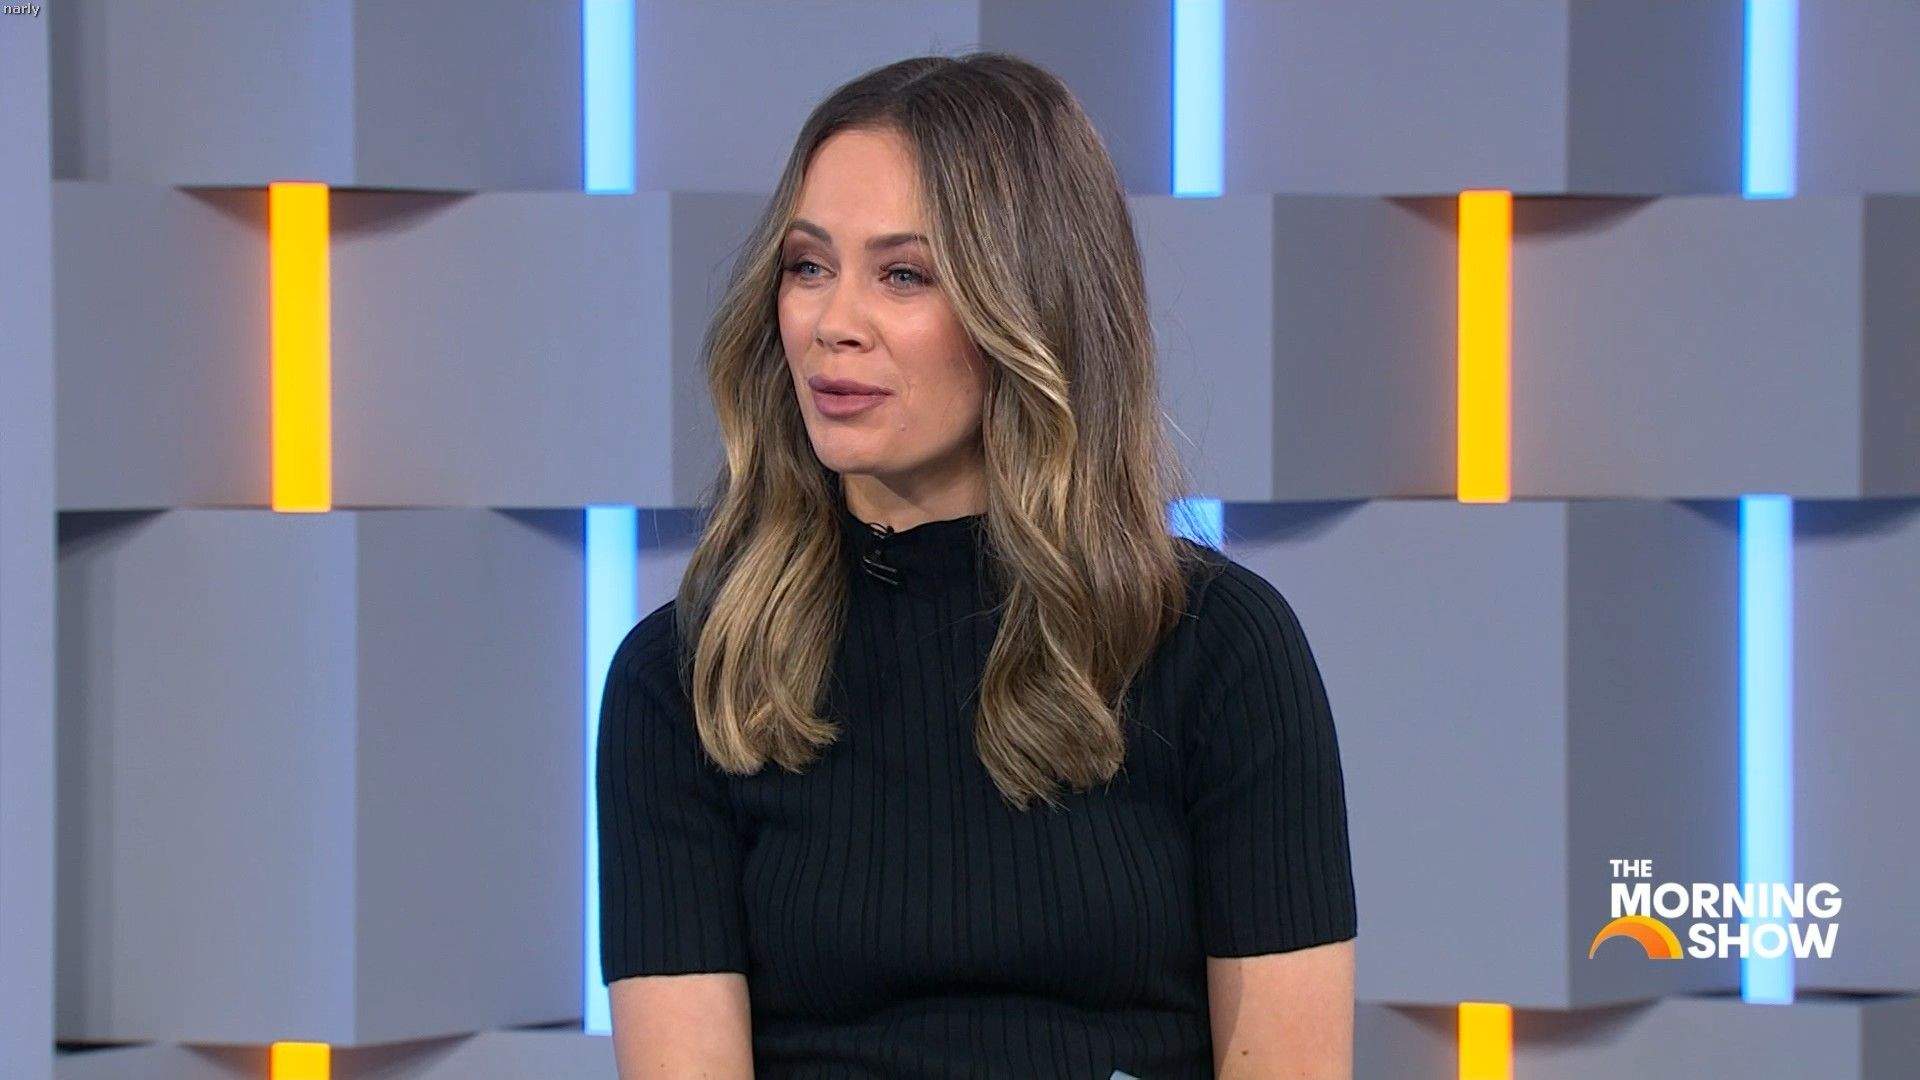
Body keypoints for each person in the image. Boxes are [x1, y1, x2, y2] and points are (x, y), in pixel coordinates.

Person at [596, 51, 1357, 1079]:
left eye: (904, 275)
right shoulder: (688, 679)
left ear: (1030, 308)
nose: (833, 324)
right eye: (808, 266)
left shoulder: (1219, 649)